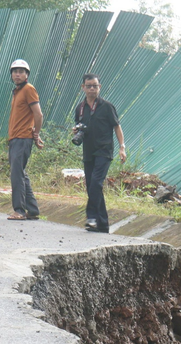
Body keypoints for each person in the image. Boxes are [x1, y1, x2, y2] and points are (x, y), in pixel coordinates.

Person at [74, 73, 125, 233]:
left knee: (96, 183)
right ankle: (103, 224)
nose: (92, 89)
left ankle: (92, 217)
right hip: (88, 152)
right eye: (88, 86)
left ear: (99, 87)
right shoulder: (80, 108)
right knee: (91, 186)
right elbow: (78, 126)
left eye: (95, 86)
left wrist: (122, 147)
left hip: (104, 151)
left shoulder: (107, 106)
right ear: (83, 88)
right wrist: (75, 130)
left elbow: (117, 126)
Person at [6, 59, 44, 221]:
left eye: (21, 72)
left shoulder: (29, 89)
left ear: (27, 75)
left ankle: (19, 210)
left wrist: (36, 133)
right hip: (15, 137)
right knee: (20, 173)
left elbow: (38, 114)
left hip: (22, 138)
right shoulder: (17, 91)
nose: (17, 74)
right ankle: (33, 209)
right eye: (15, 71)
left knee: (16, 174)